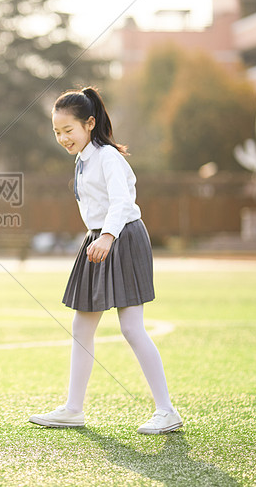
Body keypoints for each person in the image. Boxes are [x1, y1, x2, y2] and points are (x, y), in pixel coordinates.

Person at [29, 87, 182, 435]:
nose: (63, 138)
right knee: (82, 327)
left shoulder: (108, 157)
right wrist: (99, 237)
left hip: (122, 238)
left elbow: (122, 202)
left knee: (131, 327)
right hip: (99, 240)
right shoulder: (83, 158)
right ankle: (73, 409)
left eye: (68, 130)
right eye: (57, 132)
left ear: (89, 123)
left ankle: (166, 410)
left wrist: (109, 237)